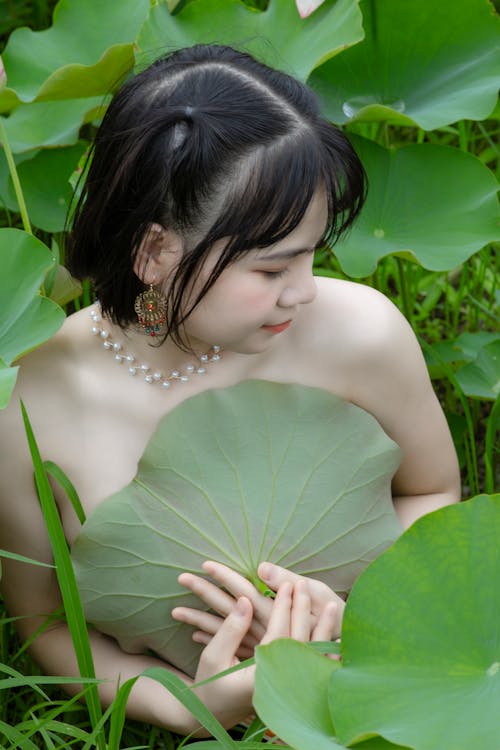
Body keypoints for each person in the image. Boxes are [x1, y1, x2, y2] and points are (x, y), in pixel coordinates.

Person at [0, 44, 460, 735]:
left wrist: (364, 614)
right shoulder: (32, 403)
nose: (304, 291)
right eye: (272, 268)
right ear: (153, 252)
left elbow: (432, 492)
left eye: (311, 254)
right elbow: (45, 624)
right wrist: (183, 706)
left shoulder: (361, 334)